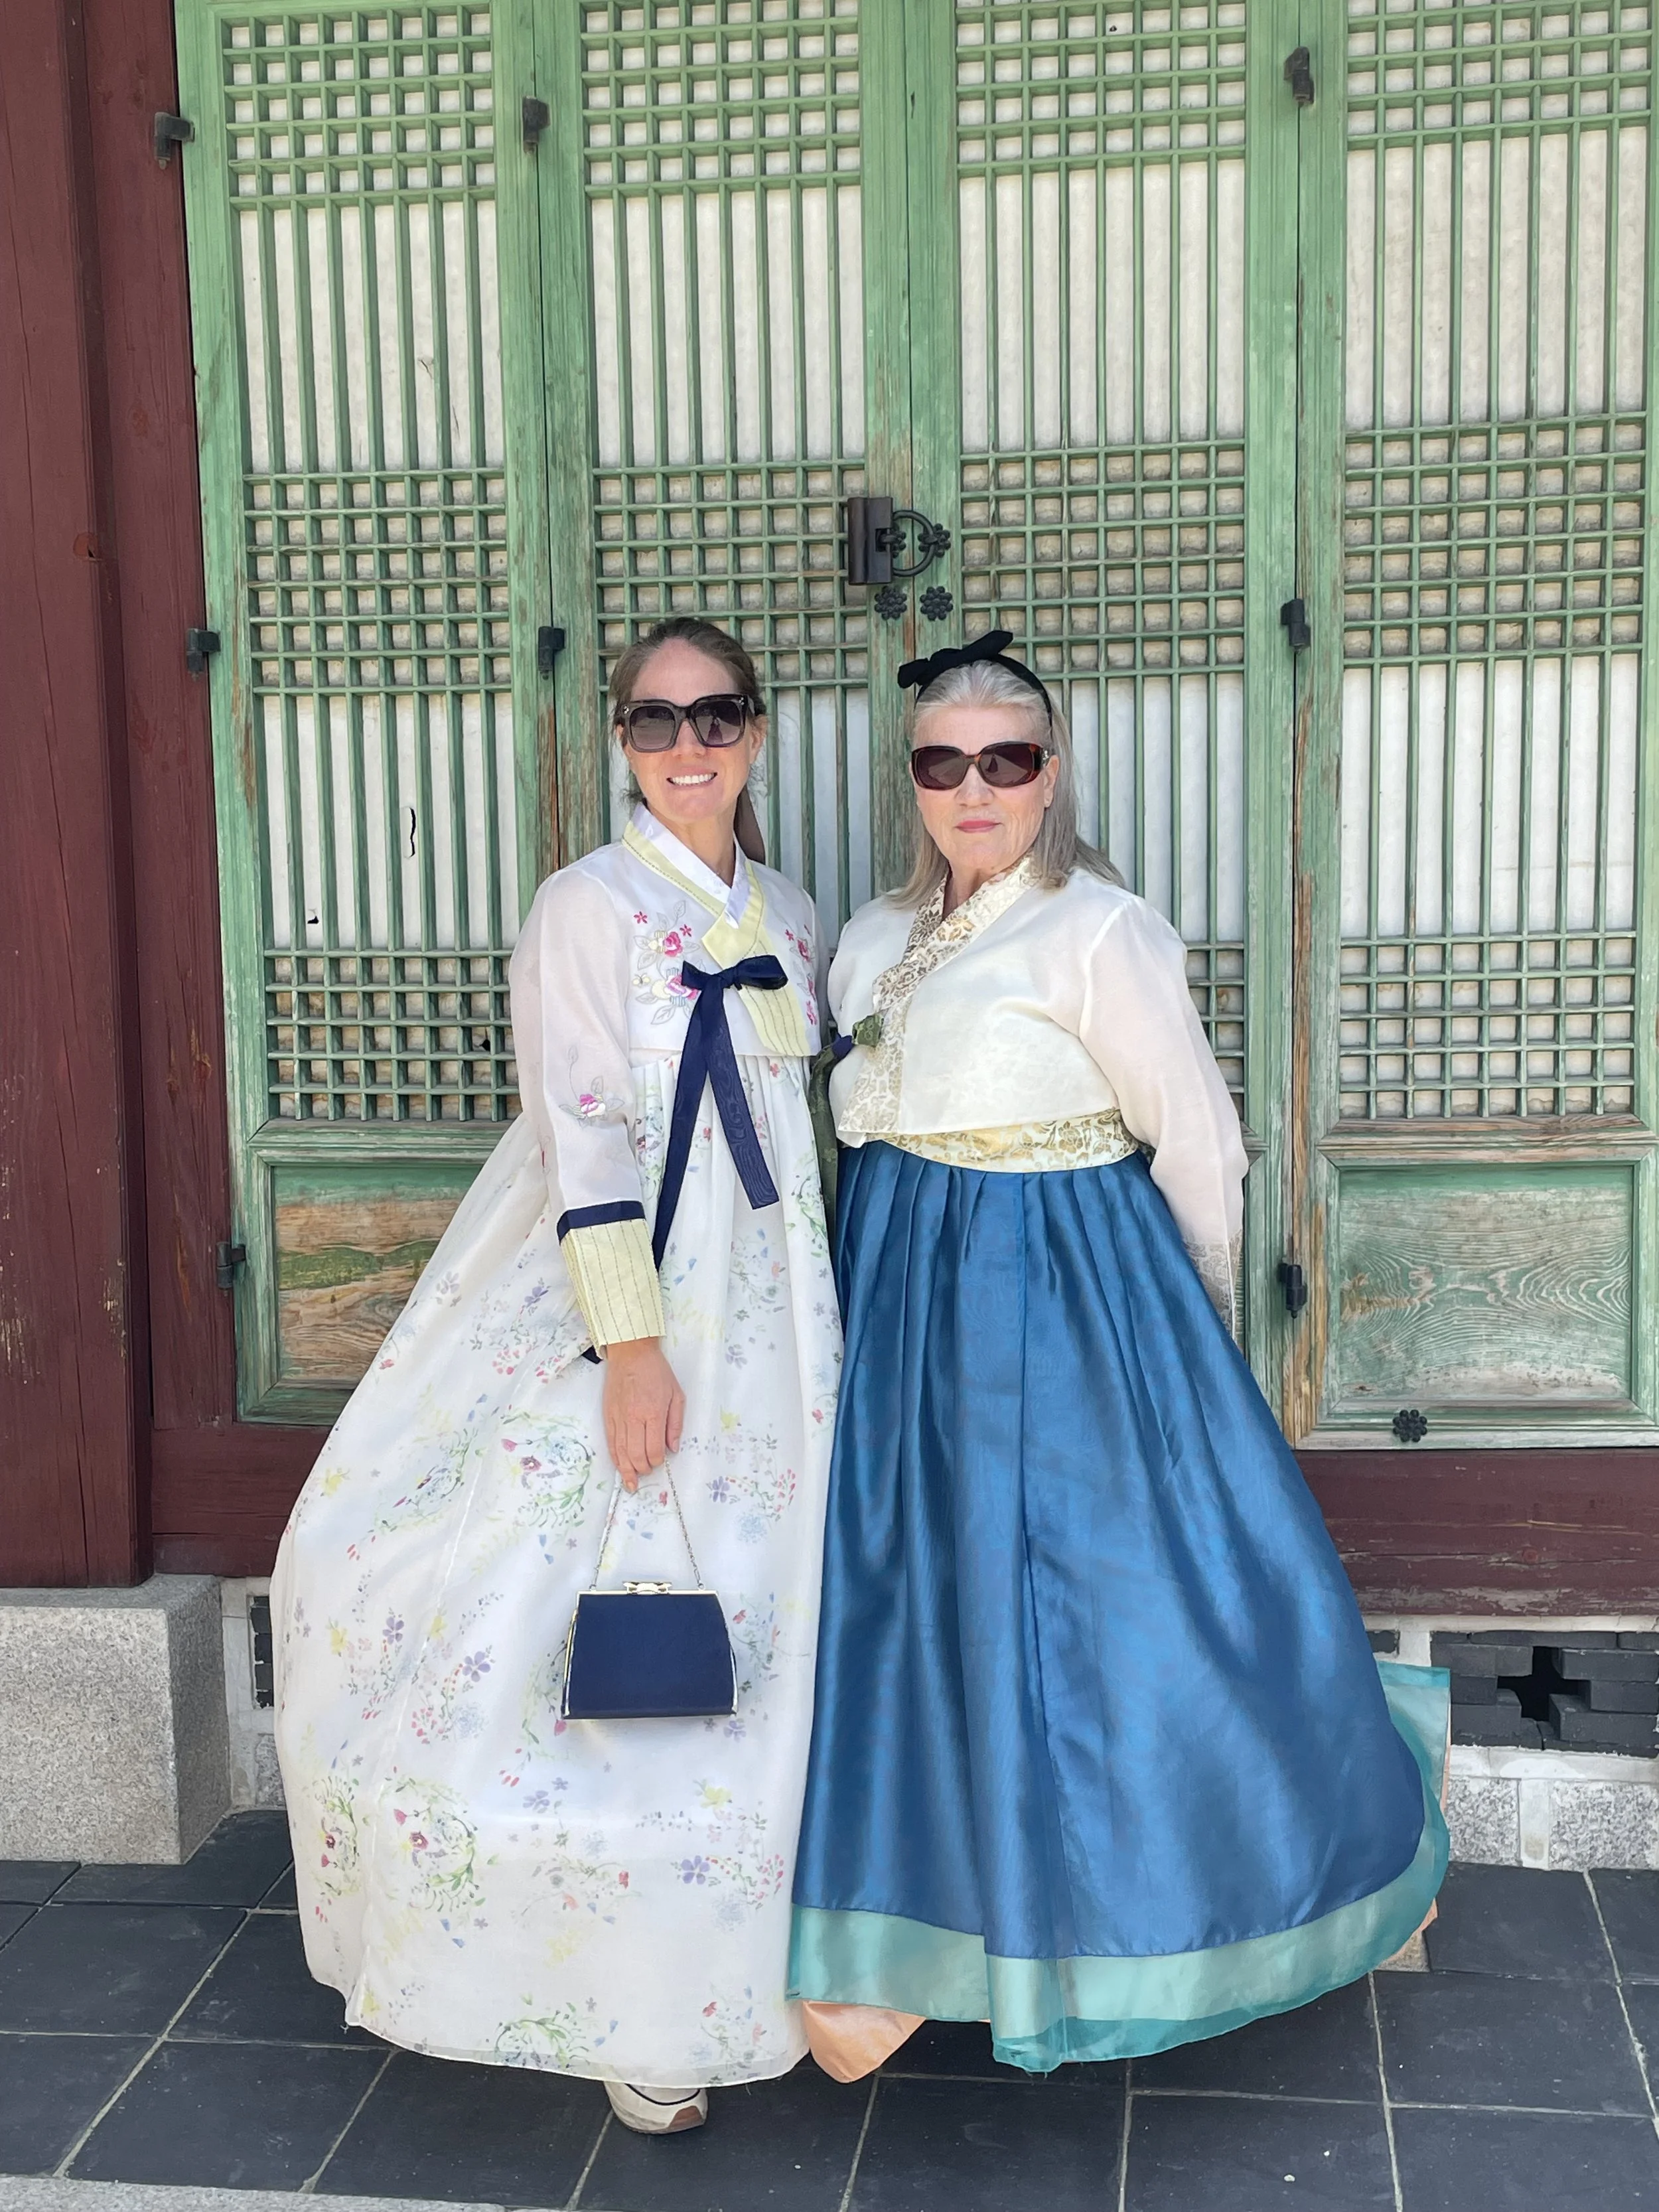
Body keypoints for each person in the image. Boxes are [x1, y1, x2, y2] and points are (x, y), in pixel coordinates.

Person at [790, 632, 1447, 2078]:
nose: (973, 788)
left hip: (1066, 1299)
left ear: (1049, 773)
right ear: (910, 781)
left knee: (1099, 1618)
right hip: (902, 1298)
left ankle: (1269, 1870)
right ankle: (925, 1930)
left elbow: (1195, 1137)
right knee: (918, 1604)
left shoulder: (1097, 927)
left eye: (1004, 760)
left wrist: (1187, 1346)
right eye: (941, 762)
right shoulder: (867, 937)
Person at [272, 617, 839, 2134]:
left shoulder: (787, 912)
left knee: (762, 1600)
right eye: (655, 723)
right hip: (637, 1294)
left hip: (776, 1310)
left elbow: (798, 1129)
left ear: (757, 731)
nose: (687, 748)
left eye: (715, 716)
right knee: (590, 1590)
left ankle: (748, 1957)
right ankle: (614, 1984)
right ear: (621, 744)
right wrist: (629, 1345)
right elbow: (583, 1128)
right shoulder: (583, 907)